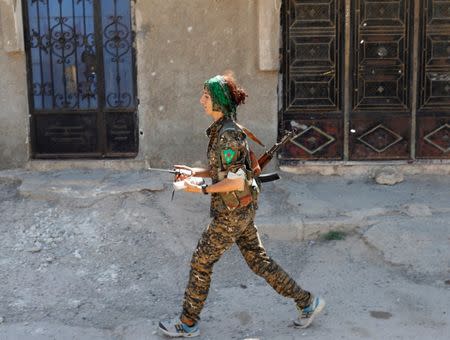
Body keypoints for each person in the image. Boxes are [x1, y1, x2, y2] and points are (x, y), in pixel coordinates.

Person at [158, 73, 325, 337]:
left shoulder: (228, 136)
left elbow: (234, 183)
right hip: (242, 209)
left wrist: (199, 188)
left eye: (206, 96)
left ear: (219, 102)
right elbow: (224, 171)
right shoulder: (224, 129)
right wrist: (193, 171)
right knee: (259, 262)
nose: (200, 100)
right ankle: (307, 302)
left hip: (232, 213)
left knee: (201, 262)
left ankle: (187, 324)